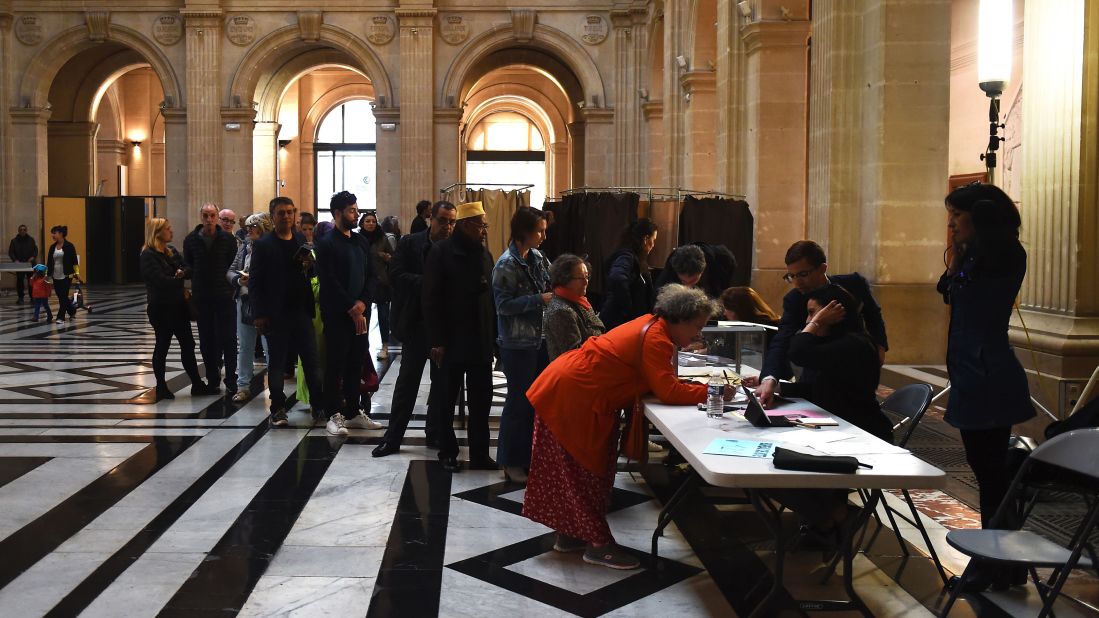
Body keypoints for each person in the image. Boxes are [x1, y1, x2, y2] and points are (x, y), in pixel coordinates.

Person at [523, 285, 725, 570]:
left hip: (572, 392)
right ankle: (598, 545)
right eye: (697, 326)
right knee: (584, 475)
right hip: (574, 397)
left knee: (579, 472)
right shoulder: (657, 338)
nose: (698, 334)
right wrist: (713, 391)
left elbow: (660, 382)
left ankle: (570, 535)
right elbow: (667, 390)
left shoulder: (653, 326)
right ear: (679, 318)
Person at [939, 184, 1035, 555]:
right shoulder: (975, 256)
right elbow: (952, 288)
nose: (951, 224)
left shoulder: (1004, 252)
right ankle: (1002, 561)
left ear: (981, 216)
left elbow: (971, 294)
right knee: (987, 472)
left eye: (957, 216)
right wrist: (959, 257)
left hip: (987, 374)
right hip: (971, 372)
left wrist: (963, 257)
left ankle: (997, 559)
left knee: (992, 475)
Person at [754, 240, 889, 406]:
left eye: (803, 274)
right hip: (818, 367)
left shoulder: (853, 284)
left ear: (822, 268)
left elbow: (873, 315)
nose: (797, 282)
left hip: (852, 359)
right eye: (791, 276)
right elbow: (782, 340)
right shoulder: (794, 299)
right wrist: (770, 379)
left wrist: (880, 347)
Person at [372, 201, 457, 458]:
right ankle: (393, 438)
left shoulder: (454, 249)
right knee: (407, 384)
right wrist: (429, 283)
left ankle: (436, 434)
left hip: (443, 327)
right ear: (431, 219)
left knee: (442, 386)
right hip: (416, 324)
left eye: (452, 222)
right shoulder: (410, 243)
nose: (447, 226)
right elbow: (396, 275)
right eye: (443, 220)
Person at [423, 201, 497, 472]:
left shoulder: (484, 254)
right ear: (467, 226)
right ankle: (448, 451)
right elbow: (431, 299)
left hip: (479, 341)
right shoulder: (441, 252)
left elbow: (489, 300)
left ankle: (480, 453)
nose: (484, 231)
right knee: (446, 399)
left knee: (482, 400)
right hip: (451, 340)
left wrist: (493, 338)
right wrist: (437, 341)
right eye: (481, 225)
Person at [778, 284, 893, 442]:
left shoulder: (854, 344)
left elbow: (797, 352)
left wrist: (816, 323)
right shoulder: (838, 341)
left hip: (862, 432)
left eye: (812, 313)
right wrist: (777, 387)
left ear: (833, 313)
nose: (807, 320)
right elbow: (822, 388)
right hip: (841, 426)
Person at [249, 197, 325, 427]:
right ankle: (278, 408)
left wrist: (309, 266)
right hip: (276, 313)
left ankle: (319, 406)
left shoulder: (301, 239)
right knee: (278, 365)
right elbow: (255, 282)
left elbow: (310, 273)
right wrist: (259, 314)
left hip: (301, 310)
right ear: (273, 216)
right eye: (282, 213)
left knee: (311, 362)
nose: (287, 216)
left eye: (290, 212)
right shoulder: (264, 245)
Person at [492, 207, 552, 483]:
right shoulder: (506, 264)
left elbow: (549, 283)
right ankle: (510, 460)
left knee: (535, 402)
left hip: (538, 339)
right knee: (518, 402)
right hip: (516, 343)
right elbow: (503, 306)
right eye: (539, 230)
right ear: (523, 232)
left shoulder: (537, 257)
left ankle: (528, 457)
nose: (543, 235)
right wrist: (539, 300)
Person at [316, 191, 383, 435]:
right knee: (336, 363)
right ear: (337, 213)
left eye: (356, 209)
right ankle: (333, 414)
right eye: (352, 210)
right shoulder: (325, 243)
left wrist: (363, 303)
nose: (356, 214)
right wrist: (351, 307)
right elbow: (330, 280)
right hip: (337, 314)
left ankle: (354, 411)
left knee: (356, 361)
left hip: (361, 314)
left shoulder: (361, 241)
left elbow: (372, 275)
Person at [139, 218, 205, 401]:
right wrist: (177, 277)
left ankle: (197, 383)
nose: (172, 231)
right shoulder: (148, 255)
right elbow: (159, 281)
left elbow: (188, 269)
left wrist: (181, 273)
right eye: (168, 229)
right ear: (157, 232)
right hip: (161, 308)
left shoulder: (171, 251)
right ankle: (161, 386)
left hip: (178, 306)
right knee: (162, 345)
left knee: (188, 344)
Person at [183, 203, 239, 395]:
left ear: (217, 217)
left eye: (212, 215)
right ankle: (213, 378)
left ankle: (231, 378)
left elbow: (233, 264)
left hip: (225, 296)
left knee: (229, 339)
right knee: (206, 340)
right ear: (201, 217)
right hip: (202, 297)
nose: (209, 220)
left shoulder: (227, 240)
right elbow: (189, 264)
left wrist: (232, 286)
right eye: (206, 216)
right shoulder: (191, 239)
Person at [227, 213, 273, 403]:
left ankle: (275, 387)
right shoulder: (245, 248)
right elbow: (230, 271)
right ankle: (243, 385)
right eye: (247, 229)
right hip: (245, 300)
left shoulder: (271, 248)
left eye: (252, 229)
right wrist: (238, 279)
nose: (249, 232)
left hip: (266, 302)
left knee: (270, 346)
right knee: (245, 346)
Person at [599, 219, 658, 330]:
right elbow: (617, 278)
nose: (654, 245)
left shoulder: (636, 259)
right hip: (619, 326)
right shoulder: (626, 256)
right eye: (653, 240)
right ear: (645, 239)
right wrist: (628, 308)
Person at [544, 254, 605, 360]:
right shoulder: (561, 311)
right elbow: (574, 355)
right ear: (565, 280)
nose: (586, 282)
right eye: (581, 278)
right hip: (575, 373)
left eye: (587, 276)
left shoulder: (578, 300)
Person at [358, 211, 395, 360]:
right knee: (365, 316)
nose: (371, 224)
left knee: (383, 316)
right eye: (367, 221)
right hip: (364, 281)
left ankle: (385, 345)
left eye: (373, 221)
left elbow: (393, 257)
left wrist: (386, 257)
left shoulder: (383, 238)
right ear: (362, 223)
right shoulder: (358, 239)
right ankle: (363, 347)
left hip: (381, 281)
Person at [47, 225, 80, 324]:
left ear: (61, 234)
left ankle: (60, 317)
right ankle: (72, 311)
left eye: (54, 233)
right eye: (52, 233)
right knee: (61, 296)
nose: (52, 235)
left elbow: (74, 261)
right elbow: (49, 262)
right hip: (55, 274)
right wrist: (47, 274)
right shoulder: (52, 247)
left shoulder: (69, 246)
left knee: (63, 295)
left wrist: (77, 273)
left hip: (67, 275)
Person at [8, 224, 38, 304]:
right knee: (20, 281)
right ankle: (20, 297)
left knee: (31, 281)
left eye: (24, 229)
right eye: (21, 230)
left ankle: (32, 297)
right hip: (20, 265)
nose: (22, 231)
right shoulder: (14, 241)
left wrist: (33, 257)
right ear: (18, 231)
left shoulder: (31, 240)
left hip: (30, 264)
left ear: (26, 230)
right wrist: (15, 260)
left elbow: (35, 250)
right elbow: (11, 252)